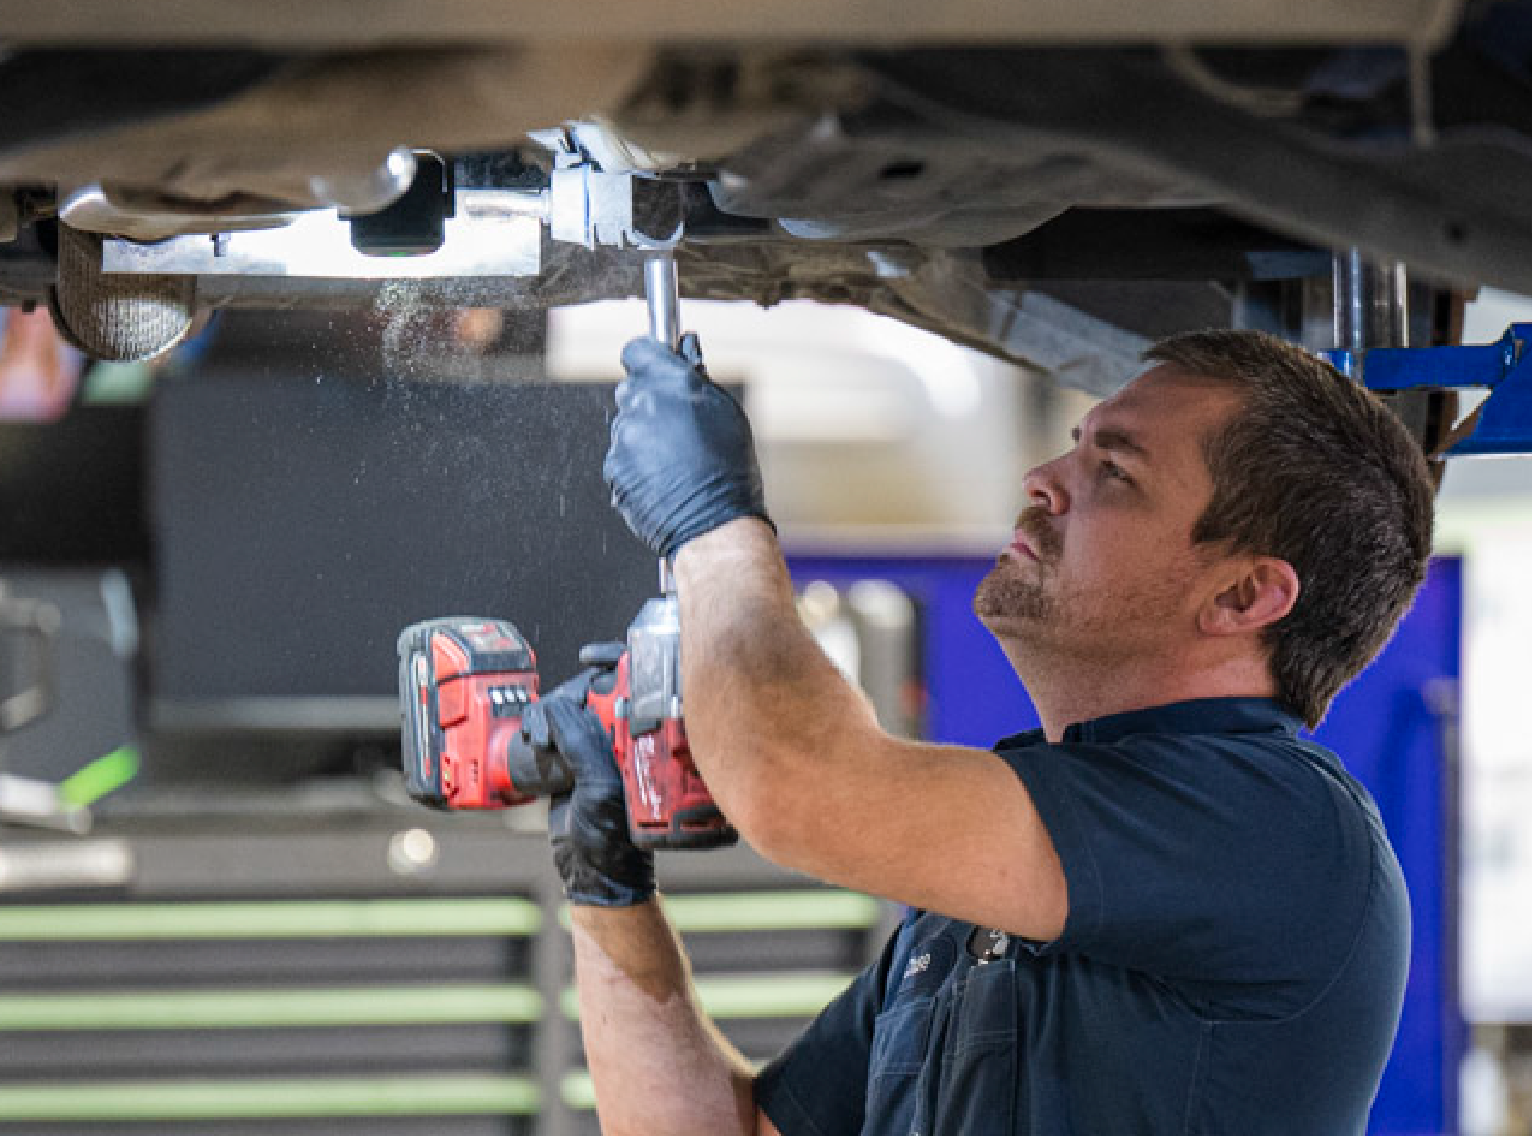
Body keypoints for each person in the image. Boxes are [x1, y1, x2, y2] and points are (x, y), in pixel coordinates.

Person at [533, 326, 1439, 1136]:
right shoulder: (985, 894)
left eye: (1115, 473)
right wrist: (607, 884)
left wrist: (712, 526)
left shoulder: (1278, 828)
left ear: (1243, 595)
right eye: (1076, 448)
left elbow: (797, 785)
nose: (1043, 481)